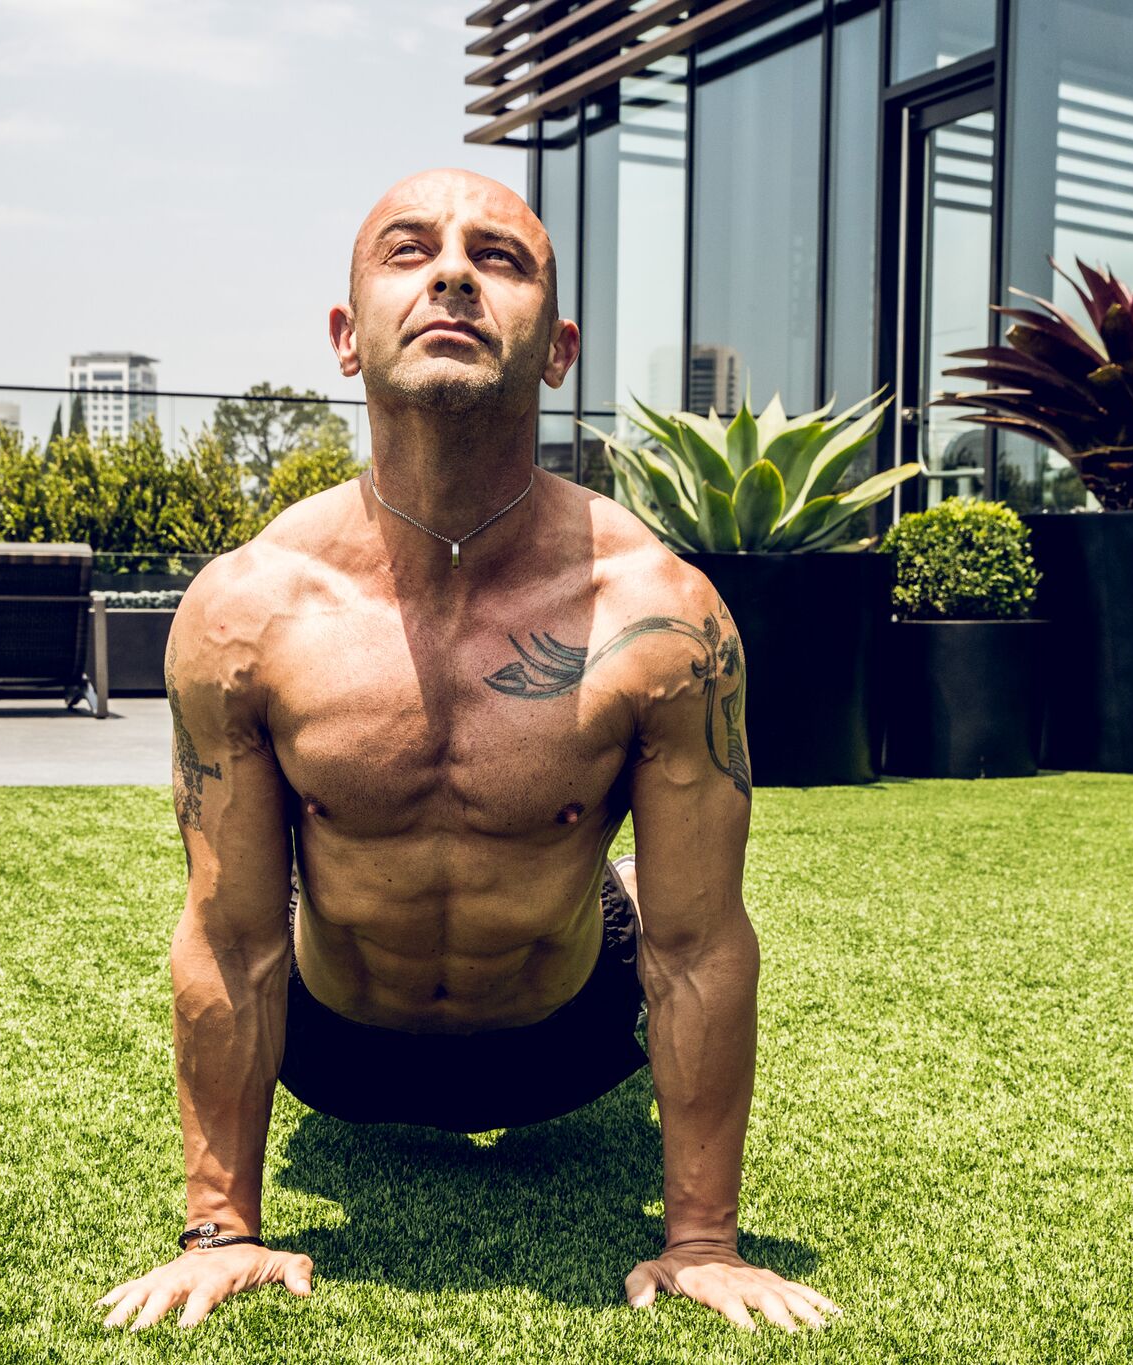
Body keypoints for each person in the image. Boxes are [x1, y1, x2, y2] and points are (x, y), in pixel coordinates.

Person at [98, 168, 834, 1335]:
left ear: (557, 349)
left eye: (498, 257)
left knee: (659, 904)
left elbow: (700, 948)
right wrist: (219, 1229)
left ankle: (602, 893)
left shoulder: (661, 613)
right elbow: (229, 933)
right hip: (333, 1052)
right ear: (346, 339)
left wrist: (702, 1243)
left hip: (567, 1045)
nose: (450, 272)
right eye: (409, 252)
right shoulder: (246, 610)